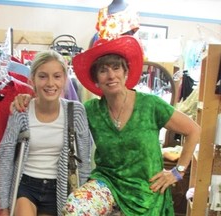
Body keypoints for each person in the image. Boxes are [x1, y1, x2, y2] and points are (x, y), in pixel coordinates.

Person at [12, 35, 201, 215]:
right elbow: (56, 111)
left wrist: (178, 172)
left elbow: (194, 130)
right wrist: (29, 99)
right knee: (75, 208)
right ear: (96, 79)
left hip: (147, 189)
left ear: (125, 72)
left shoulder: (150, 105)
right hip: (107, 184)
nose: (111, 75)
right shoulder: (89, 110)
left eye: (116, 68)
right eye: (103, 71)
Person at [0, 50, 92, 216]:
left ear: (65, 80)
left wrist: (78, 201)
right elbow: (5, 157)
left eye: (57, 76)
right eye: (43, 76)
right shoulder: (21, 110)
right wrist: (3, 207)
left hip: (59, 188)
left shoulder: (75, 111)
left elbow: (84, 162)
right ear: (32, 80)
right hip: (26, 185)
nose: (50, 83)